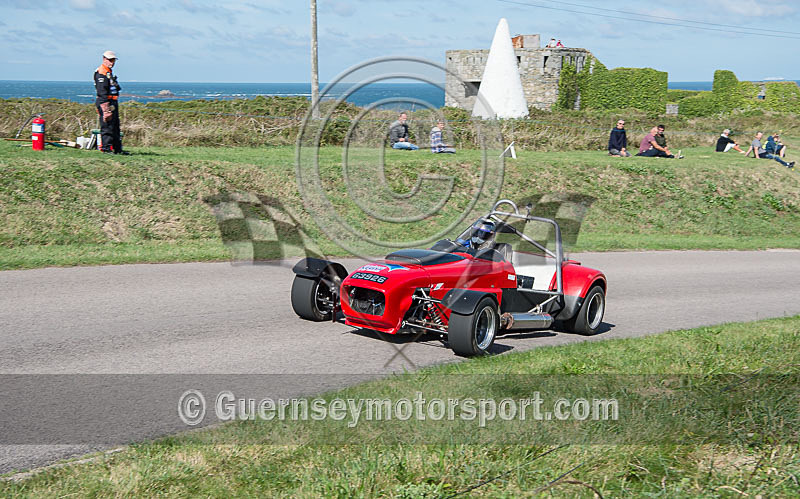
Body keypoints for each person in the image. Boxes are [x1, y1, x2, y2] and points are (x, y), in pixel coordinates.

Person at [94, 50, 128, 154]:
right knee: (107, 127)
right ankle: (106, 148)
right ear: (104, 59)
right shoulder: (101, 72)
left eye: (113, 60)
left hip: (113, 102)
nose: (111, 62)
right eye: (109, 60)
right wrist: (105, 109)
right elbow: (101, 92)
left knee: (115, 127)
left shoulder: (108, 72)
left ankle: (117, 149)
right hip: (106, 102)